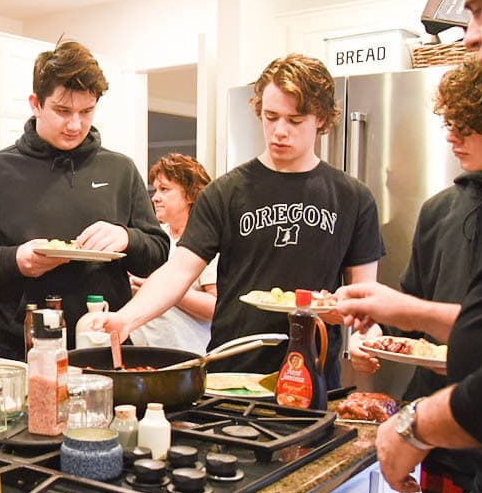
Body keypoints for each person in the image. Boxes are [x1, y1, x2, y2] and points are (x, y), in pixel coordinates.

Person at [334, 0, 482, 493]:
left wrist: (411, 427)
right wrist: (394, 320)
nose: (455, 139)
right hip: (455, 442)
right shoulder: (440, 209)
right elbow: (450, 322)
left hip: (470, 435)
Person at [91, 53, 384, 385]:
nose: (280, 132)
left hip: (313, 376)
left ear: (320, 119)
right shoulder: (226, 192)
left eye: (295, 120)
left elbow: (364, 295)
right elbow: (178, 270)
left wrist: (364, 339)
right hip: (232, 373)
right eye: (271, 117)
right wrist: (127, 318)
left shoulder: (353, 198)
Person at [0, 40, 167, 357]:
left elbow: (158, 252)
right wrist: (16, 260)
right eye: (62, 111)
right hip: (20, 345)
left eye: (86, 111)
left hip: (104, 340)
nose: (75, 124)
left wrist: (127, 237)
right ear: (36, 103)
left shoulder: (120, 169)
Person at [129, 153, 217, 354]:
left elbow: (215, 307)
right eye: (155, 189)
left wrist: (161, 289)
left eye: (164, 190)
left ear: (191, 194)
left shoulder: (207, 241)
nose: (154, 197)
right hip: (142, 353)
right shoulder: (156, 239)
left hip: (185, 356)